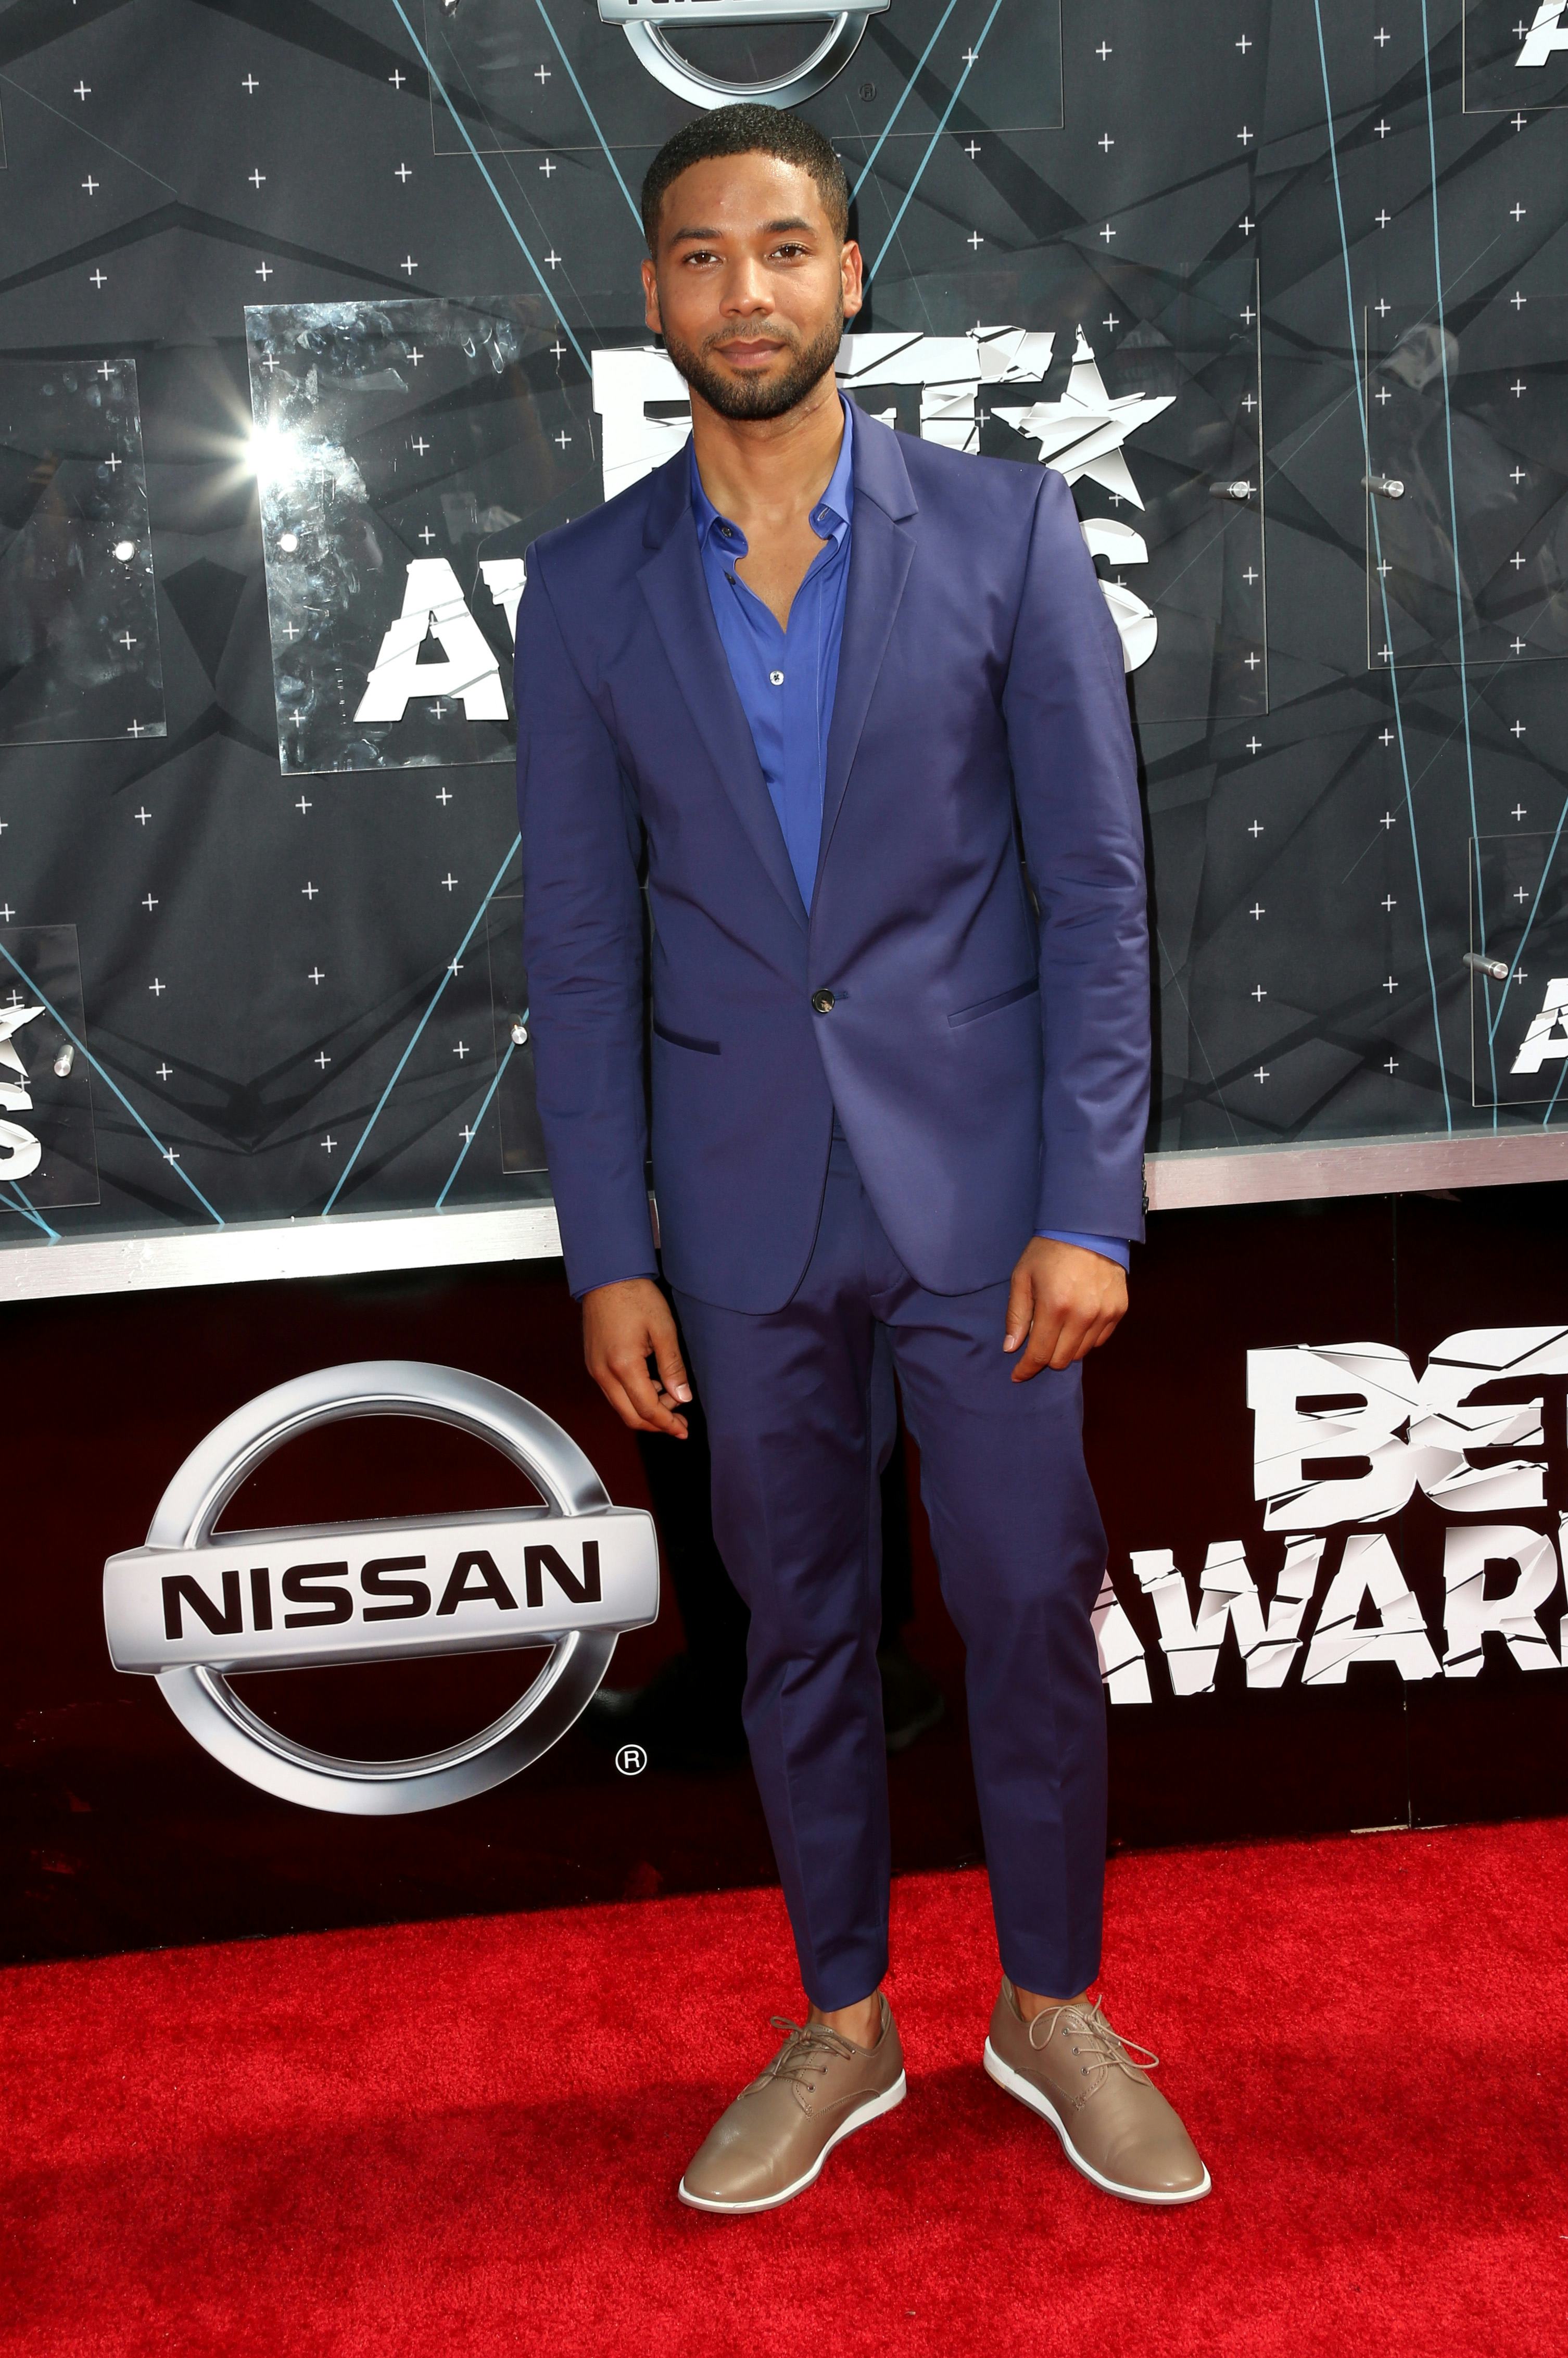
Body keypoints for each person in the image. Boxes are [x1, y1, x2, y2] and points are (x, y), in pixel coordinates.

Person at [516, 103, 1208, 2213]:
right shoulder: (584, 588)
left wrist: (1089, 1199)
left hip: (989, 1200)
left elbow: (1096, 888)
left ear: (846, 274)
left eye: (784, 248)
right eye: (702, 255)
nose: (747, 290)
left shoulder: (1006, 532)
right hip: (736, 1209)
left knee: (1022, 1599)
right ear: (655, 298)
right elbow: (581, 943)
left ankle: (1052, 2002)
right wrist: (606, 1250)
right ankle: (842, 2017)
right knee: (796, 1626)